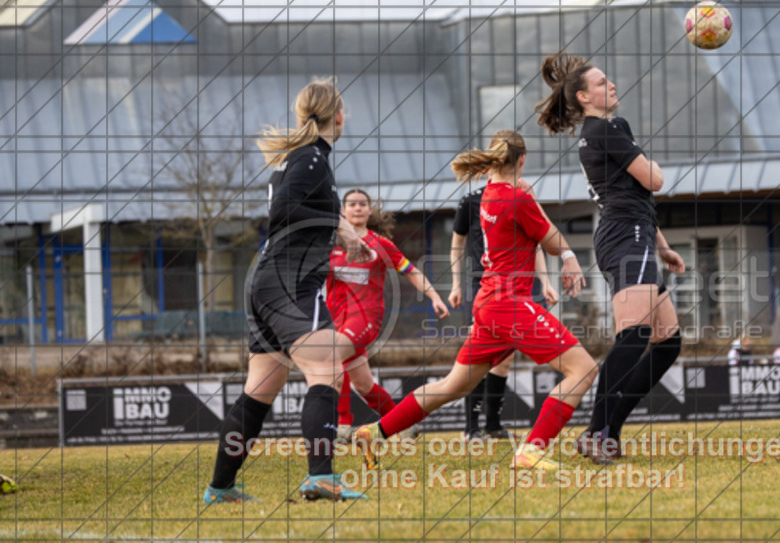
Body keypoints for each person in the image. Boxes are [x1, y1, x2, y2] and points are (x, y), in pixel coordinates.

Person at [354, 130, 597, 471]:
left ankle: (376, 430)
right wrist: (570, 256)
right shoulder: (516, 198)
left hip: (488, 303)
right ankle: (531, 450)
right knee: (583, 369)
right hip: (509, 303)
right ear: (522, 160)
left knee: (453, 385)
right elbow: (552, 240)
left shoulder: (488, 197)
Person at [203, 79, 372, 504]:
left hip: (267, 281)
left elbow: (291, 213)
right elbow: (283, 213)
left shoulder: (299, 158)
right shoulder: (312, 157)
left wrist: (339, 230)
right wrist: (338, 225)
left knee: (258, 389)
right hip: (290, 283)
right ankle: (321, 476)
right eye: (344, 111)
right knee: (328, 371)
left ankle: (219, 488)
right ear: (337, 116)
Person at [535, 50, 686, 463]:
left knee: (667, 342)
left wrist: (662, 245)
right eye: (601, 83)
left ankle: (606, 429)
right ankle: (598, 431)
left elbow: (630, 195)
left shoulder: (599, 131)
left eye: (608, 80)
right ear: (584, 97)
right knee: (633, 335)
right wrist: (652, 164)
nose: (611, 85)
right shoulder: (608, 127)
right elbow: (653, 179)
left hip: (630, 232)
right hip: (625, 236)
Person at [328, 189, 450, 439]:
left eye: (363, 204)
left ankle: (341, 427)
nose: (358, 208)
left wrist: (434, 296)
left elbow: (411, 271)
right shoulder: (329, 244)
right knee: (363, 385)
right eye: (352, 204)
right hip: (335, 320)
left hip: (365, 319)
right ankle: (403, 425)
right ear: (343, 211)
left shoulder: (380, 244)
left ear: (369, 211)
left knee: (330, 356)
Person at [450, 185, 558, 442]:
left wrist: (545, 282)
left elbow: (536, 242)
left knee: (505, 356)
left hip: (518, 287)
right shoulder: (472, 200)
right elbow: (457, 241)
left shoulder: (521, 198)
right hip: (485, 287)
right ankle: (471, 428)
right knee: (477, 356)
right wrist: (456, 284)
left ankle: (493, 425)